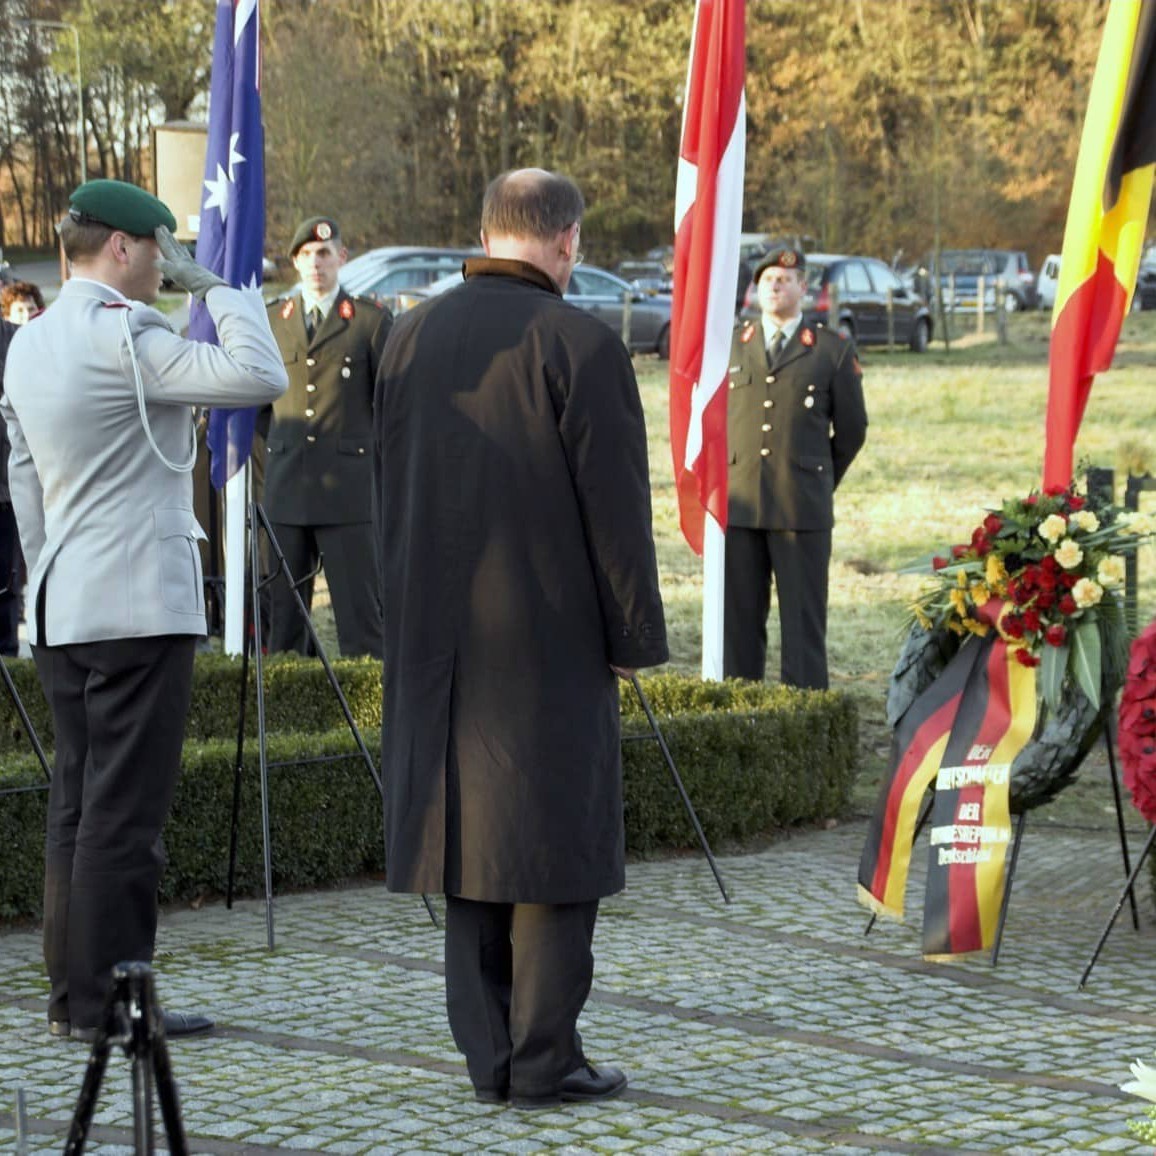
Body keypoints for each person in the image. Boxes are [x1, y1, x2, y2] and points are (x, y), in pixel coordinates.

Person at [373, 168, 668, 1109]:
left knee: (463, 839)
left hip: (436, 635)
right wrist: (633, 635)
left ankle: (489, 1058)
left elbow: (383, 492)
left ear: (487, 230)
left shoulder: (410, 334)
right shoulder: (579, 341)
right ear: (568, 241)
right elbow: (617, 513)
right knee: (551, 843)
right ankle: (545, 1060)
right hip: (549, 633)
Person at [1, 178, 288, 1042]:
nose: (168, 266)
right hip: (137, 610)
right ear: (121, 247)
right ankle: (112, 1005)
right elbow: (259, 372)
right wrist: (221, 290)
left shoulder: (29, 341)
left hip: (64, 605)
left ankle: (72, 1000)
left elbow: (21, 476)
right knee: (125, 822)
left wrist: (54, 562)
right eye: (161, 250)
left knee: (78, 812)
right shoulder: (128, 334)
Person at [724, 245, 868, 690]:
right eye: (767, 278)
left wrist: (816, 478)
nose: (775, 285)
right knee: (738, 628)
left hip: (800, 508)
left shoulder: (831, 350)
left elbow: (852, 430)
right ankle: (742, 720)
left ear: (804, 288)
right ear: (755, 288)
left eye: (785, 279)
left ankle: (802, 719)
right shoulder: (731, 344)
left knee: (803, 630)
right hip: (741, 503)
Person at [263, 216, 391, 658]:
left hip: (349, 496)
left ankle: (366, 714)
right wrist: (286, 441)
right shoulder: (273, 321)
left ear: (342, 257)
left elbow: (388, 402)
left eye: (324, 252)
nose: (315, 263)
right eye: (305, 255)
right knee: (283, 623)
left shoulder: (369, 322)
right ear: (295, 263)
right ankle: (289, 716)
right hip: (287, 489)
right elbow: (261, 406)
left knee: (361, 621)